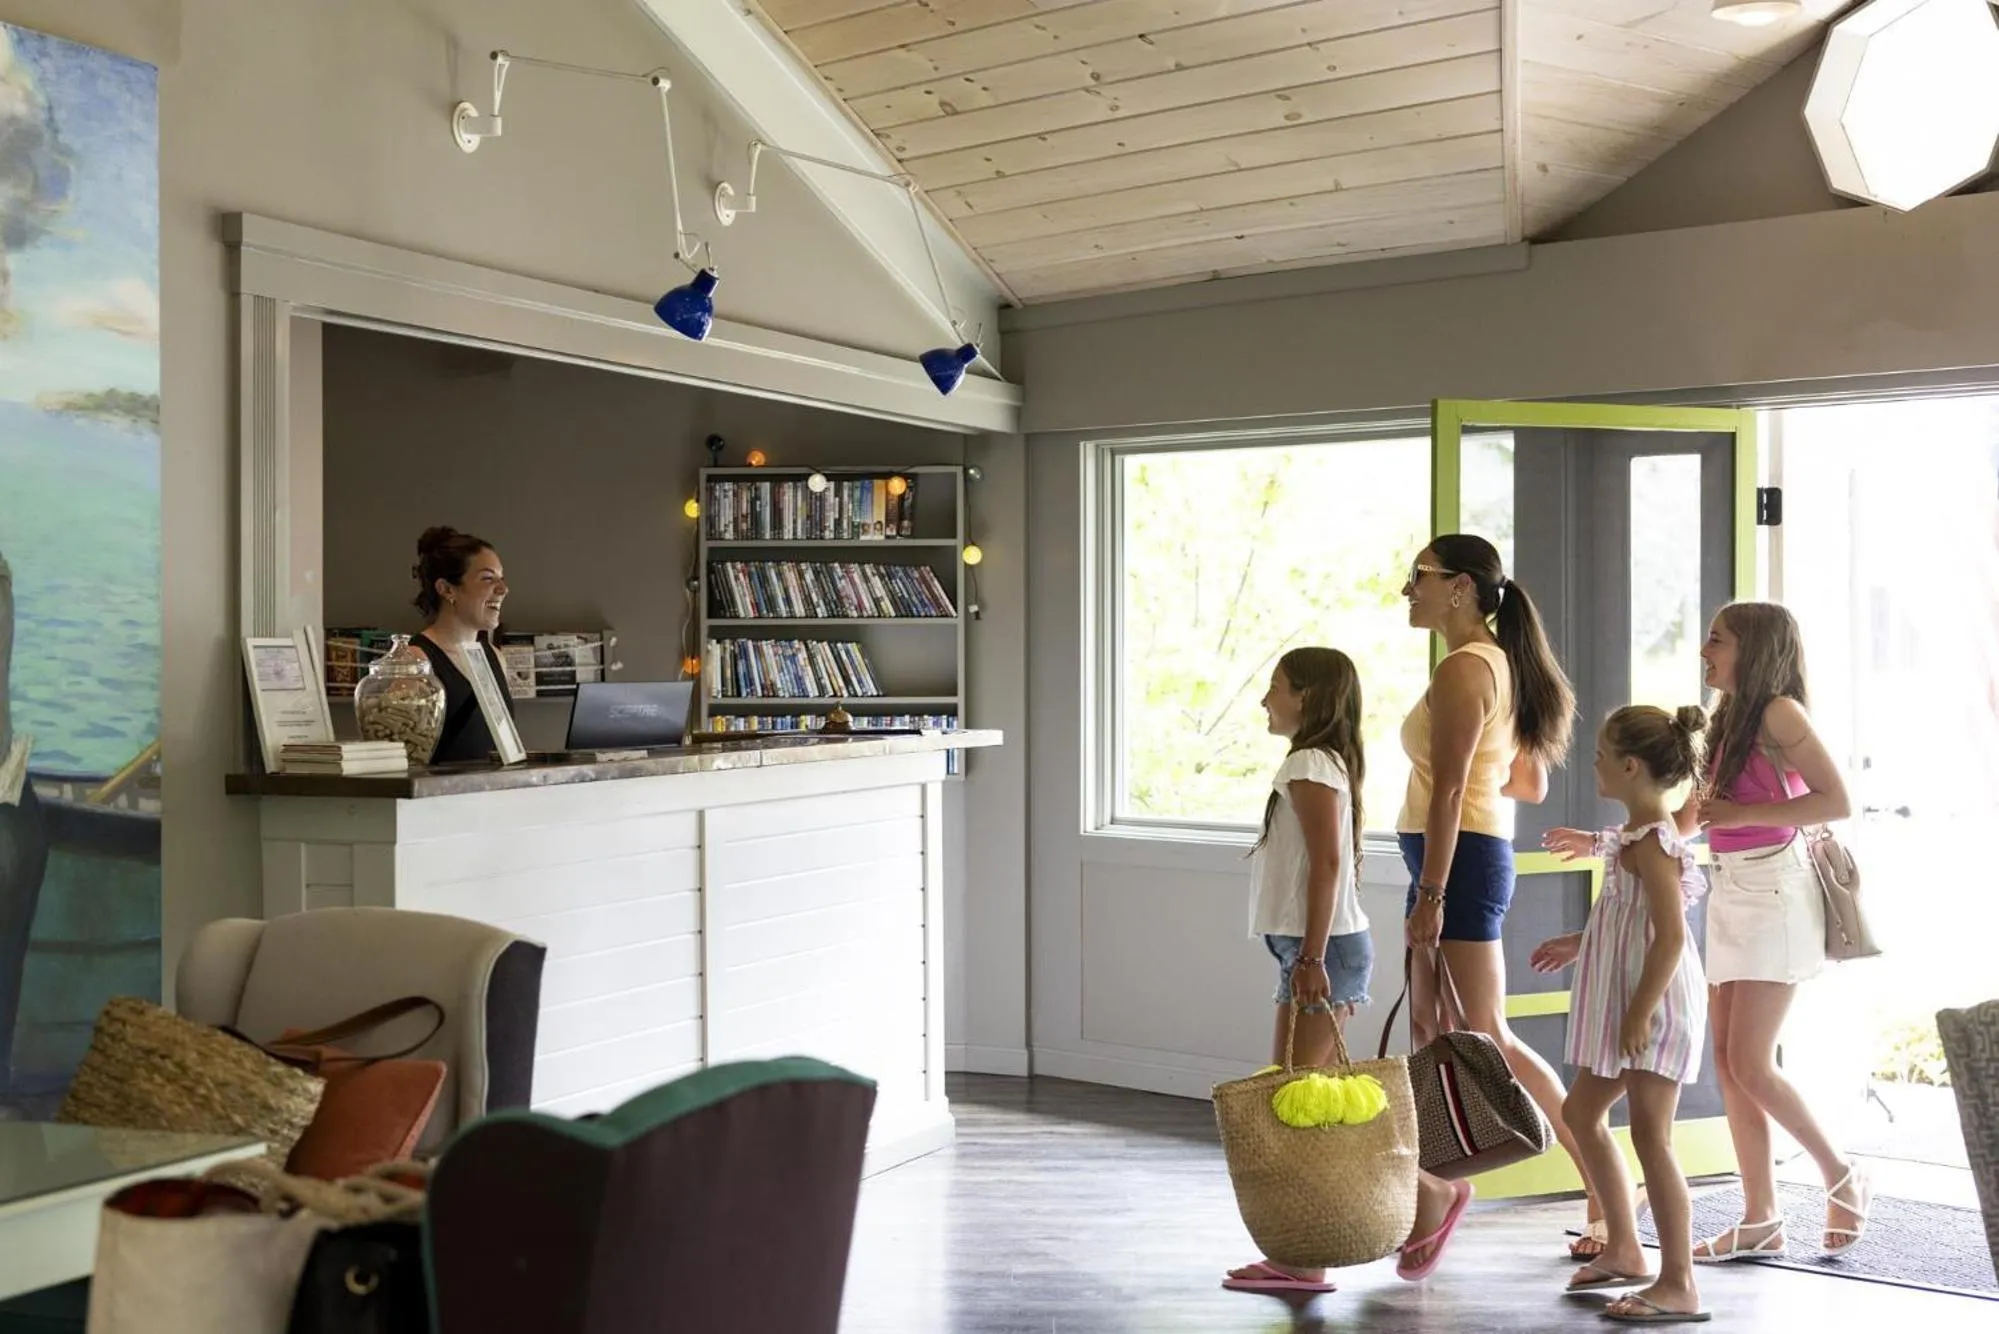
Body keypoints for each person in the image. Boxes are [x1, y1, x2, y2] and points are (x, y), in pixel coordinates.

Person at [1223, 648, 1473, 1297]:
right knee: (1297, 1094)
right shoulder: (1317, 763)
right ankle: (1303, 1256)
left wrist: (1309, 958)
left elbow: (1329, 867)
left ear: (1306, 697)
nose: (1264, 701)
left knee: (1307, 1102)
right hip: (1311, 948)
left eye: (1273, 687)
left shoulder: (1308, 764)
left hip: (1322, 950)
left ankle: (1427, 1197)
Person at [1396, 534, 1604, 1256]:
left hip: (1456, 863)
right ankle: (1436, 1189)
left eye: (1417, 576)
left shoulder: (1466, 668)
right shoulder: (1498, 665)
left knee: (1486, 1032)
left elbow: (1452, 788)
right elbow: (1528, 783)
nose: (1406, 590)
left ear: (1458, 586)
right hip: (1454, 854)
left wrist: (1430, 891)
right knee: (1430, 1030)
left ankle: (1607, 1192)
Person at [1682, 602, 1867, 1261]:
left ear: (1752, 649)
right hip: (1731, 889)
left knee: (1750, 1062)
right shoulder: (1726, 717)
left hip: (1774, 893)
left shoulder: (1778, 713)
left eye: (1716, 640)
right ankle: (1760, 1216)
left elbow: (1834, 800)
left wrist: (1743, 809)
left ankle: (1840, 1175)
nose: (1704, 650)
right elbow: (1695, 817)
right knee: (1730, 1066)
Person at [1536, 706, 1713, 1325]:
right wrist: (1579, 944)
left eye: (1600, 755)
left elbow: (1668, 937)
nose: (1594, 765)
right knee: (1581, 1111)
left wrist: (1639, 1014)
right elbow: (1629, 922)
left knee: (1651, 1137)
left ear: (1630, 767)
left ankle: (1680, 1283)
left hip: (1652, 1006)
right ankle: (1624, 1245)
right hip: (1628, 1005)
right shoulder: (1633, 839)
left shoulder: (1658, 843)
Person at [410, 526, 516, 765]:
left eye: (501, 578)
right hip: (442, 800)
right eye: (488, 578)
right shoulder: (417, 661)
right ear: (447, 589)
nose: (503, 589)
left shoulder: (496, 658)